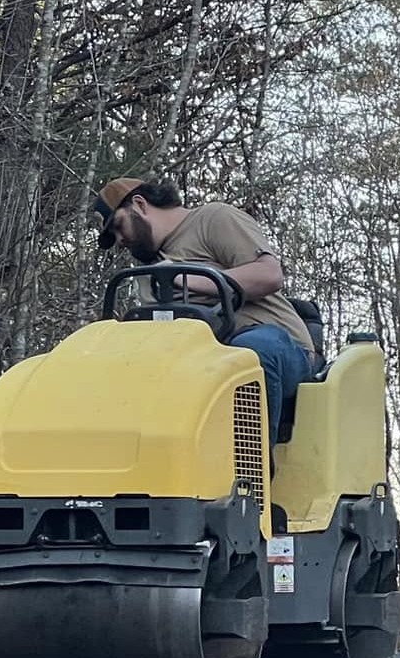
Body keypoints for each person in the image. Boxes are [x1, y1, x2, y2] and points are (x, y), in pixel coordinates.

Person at [93, 177, 313, 452]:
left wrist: (197, 281)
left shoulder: (212, 219)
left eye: (118, 226)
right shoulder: (148, 275)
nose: (119, 241)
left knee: (251, 351)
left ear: (140, 204)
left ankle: (249, 480)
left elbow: (269, 274)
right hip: (204, 368)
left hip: (280, 355)